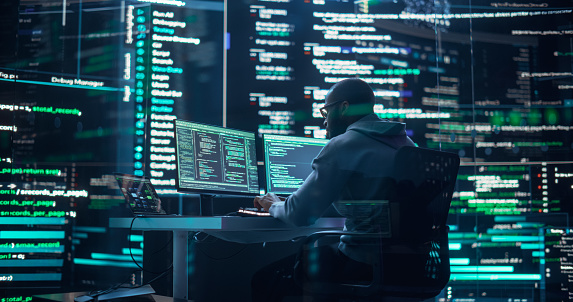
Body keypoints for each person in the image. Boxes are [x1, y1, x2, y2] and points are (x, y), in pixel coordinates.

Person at [251, 78, 416, 301]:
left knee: (264, 279)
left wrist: (274, 204)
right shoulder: (407, 145)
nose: (324, 122)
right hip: (412, 265)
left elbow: (299, 214)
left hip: (361, 264)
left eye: (325, 112)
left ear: (344, 107)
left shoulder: (344, 144)